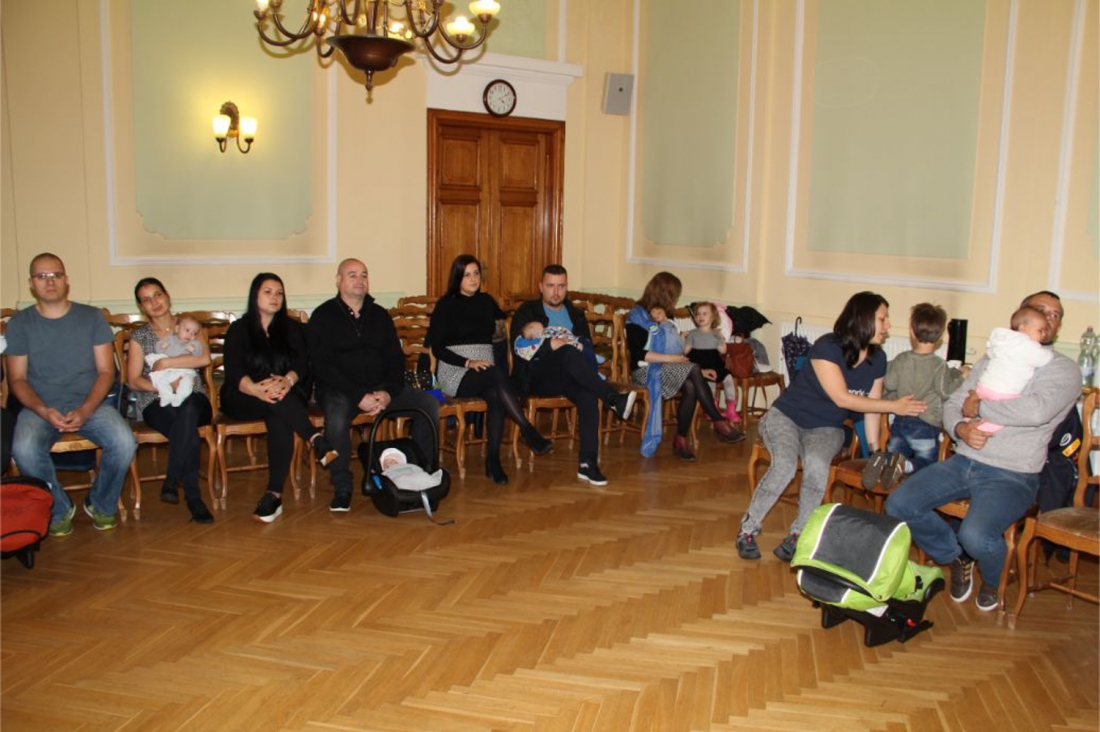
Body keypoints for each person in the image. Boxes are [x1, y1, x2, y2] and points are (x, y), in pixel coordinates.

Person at [886, 291, 1079, 612]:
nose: (1048, 317)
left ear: (1056, 327)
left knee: (976, 535)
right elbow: (954, 401)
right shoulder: (993, 359)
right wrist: (960, 429)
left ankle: (992, 576)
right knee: (899, 503)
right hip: (964, 460)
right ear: (1020, 318)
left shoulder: (1063, 369)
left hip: (1014, 473)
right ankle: (955, 557)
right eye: (1040, 310)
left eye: (1055, 314)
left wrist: (979, 407)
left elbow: (1036, 411)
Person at [736, 291, 927, 563]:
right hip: (787, 417)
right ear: (863, 319)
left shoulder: (878, 360)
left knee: (817, 466)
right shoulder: (827, 347)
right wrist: (894, 406)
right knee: (785, 465)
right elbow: (842, 398)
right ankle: (748, 529)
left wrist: (875, 451)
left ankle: (798, 535)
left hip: (827, 427)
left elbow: (871, 408)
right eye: (882, 319)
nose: (887, 325)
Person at [7, 253, 137, 535]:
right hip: (40, 407)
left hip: (90, 404)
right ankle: (58, 508)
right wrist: (44, 411)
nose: (50, 281)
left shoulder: (91, 318)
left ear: (66, 280)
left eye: (56, 275)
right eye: (42, 276)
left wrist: (86, 409)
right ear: (31, 283)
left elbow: (106, 372)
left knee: (124, 442)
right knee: (23, 448)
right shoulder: (20, 324)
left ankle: (100, 503)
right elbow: (17, 379)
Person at [307, 258, 440, 512]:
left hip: (381, 388)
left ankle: (422, 474)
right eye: (352, 275)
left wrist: (388, 393)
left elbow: (395, 360)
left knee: (428, 403)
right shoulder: (323, 316)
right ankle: (342, 487)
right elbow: (322, 367)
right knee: (336, 417)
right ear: (338, 280)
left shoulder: (379, 315)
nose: (359, 280)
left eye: (364, 275)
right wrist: (359, 396)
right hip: (341, 391)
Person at [221, 273, 337, 523]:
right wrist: (256, 389)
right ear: (255, 295)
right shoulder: (238, 329)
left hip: (284, 394)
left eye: (279, 293)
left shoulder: (291, 328)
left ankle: (273, 495)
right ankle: (315, 438)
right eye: (268, 292)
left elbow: (302, 364)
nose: (274, 297)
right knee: (278, 404)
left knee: (278, 415)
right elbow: (233, 371)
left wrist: (287, 381)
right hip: (244, 394)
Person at [428, 255, 552, 485]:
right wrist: (468, 362)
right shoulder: (446, 305)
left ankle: (492, 461)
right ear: (457, 278)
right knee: (496, 374)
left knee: (496, 395)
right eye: (467, 275)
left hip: (484, 370)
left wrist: (539, 321)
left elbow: (511, 323)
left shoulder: (486, 301)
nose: (473, 279)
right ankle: (528, 429)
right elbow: (437, 348)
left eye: (476, 273)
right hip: (456, 371)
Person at [510, 265, 637, 486]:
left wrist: (579, 347)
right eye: (550, 286)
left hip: (569, 375)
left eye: (561, 286)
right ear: (541, 287)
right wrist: (551, 345)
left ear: (566, 287)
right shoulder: (527, 312)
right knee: (567, 351)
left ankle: (588, 463)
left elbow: (588, 349)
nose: (556, 292)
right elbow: (518, 348)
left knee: (588, 395)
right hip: (537, 376)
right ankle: (612, 398)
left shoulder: (575, 314)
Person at [624, 272, 744, 461]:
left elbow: (676, 348)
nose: (674, 300)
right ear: (664, 294)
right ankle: (718, 422)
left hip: (668, 367)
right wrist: (673, 359)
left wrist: (681, 348)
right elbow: (639, 354)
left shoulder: (666, 315)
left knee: (691, 385)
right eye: (673, 295)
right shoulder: (637, 316)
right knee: (693, 371)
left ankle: (680, 441)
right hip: (644, 370)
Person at [127, 278, 216, 523]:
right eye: (146, 299)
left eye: (157, 295)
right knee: (187, 430)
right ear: (141, 306)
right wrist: (163, 385)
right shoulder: (139, 336)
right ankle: (194, 499)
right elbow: (133, 380)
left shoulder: (189, 324)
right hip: (156, 399)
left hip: (193, 396)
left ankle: (171, 480)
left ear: (167, 295)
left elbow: (203, 359)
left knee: (188, 412)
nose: (154, 302)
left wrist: (166, 363)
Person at [867, 303, 968, 489]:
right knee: (926, 463)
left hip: (900, 421)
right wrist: (961, 376)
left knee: (896, 456)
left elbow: (889, 383)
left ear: (912, 332)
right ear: (940, 336)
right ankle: (904, 465)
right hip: (925, 424)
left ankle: (883, 461)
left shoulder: (901, 359)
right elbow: (945, 390)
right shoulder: (938, 365)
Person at [972, 306, 1053, 433]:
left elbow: (991, 353)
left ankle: (968, 421)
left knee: (972, 408)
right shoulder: (1026, 345)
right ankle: (981, 430)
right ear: (1023, 328)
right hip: (1004, 392)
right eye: (1040, 330)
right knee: (1000, 418)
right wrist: (1049, 354)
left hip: (983, 385)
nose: (1043, 334)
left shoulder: (1001, 339)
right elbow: (1043, 359)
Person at [683, 301, 740, 425]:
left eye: (704, 314)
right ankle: (711, 408)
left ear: (713, 317)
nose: (700, 316)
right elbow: (685, 351)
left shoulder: (715, 333)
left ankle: (731, 409)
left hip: (715, 363)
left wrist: (720, 338)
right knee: (710, 383)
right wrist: (683, 338)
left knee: (728, 378)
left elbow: (723, 350)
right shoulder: (693, 333)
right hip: (700, 366)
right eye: (698, 314)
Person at [146, 314, 205, 407]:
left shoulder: (194, 343)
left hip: (186, 370)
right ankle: (166, 396)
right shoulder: (171, 339)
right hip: (170, 370)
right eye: (187, 330)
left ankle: (180, 397)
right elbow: (158, 349)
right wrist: (162, 346)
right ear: (177, 329)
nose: (190, 335)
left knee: (187, 383)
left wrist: (194, 349)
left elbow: (199, 353)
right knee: (161, 380)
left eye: (194, 333)